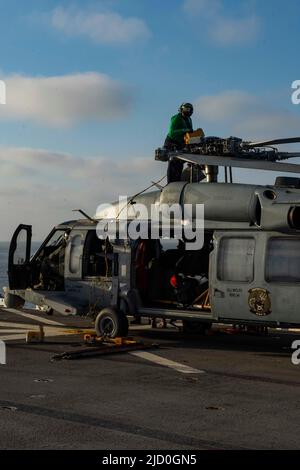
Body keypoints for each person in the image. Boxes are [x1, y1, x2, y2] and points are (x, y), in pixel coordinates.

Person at [164, 103, 194, 183]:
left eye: (190, 110)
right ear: (181, 109)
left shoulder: (189, 119)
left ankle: (177, 183)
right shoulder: (176, 118)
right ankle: (170, 184)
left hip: (181, 143)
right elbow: (172, 133)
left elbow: (190, 131)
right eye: (186, 109)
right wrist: (185, 131)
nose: (188, 111)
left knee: (180, 163)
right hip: (172, 142)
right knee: (173, 162)